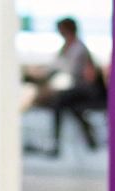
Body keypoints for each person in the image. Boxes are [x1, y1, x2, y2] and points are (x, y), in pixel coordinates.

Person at [40, 17, 106, 155]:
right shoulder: (66, 47)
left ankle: (56, 143)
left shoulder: (79, 49)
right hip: (72, 87)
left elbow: (74, 72)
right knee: (71, 107)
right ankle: (90, 140)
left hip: (84, 89)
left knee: (59, 102)